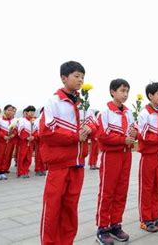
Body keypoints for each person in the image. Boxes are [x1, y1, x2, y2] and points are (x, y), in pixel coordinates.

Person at [39, 61, 94, 245]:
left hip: (77, 164)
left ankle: (66, 242)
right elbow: (46, 131)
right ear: (64, 78)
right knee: (52, 208)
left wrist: (89, 128)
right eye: (76, 76)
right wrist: (74, 135)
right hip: (59, 165)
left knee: (71, 208)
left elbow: (94, 122)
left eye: (82, 77)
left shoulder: (83, 103)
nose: (80, 80)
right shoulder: (53, 102)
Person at [95, 79, 136, 245]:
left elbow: (134, 130)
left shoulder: (129, 113)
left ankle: (115, 224)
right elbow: (102, 135)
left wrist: (135, 134)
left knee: (121, 191)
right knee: (107, 192)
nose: (125, 94)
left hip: (126, 156)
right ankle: (102, 228)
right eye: (122, 90)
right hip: (111, 156)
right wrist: (123, 140)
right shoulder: (104, 113)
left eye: (127, 91)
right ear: (112, 91)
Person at [137, 82, 158, 232]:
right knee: (147, 187)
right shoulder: (144, 113)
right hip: (149, 156)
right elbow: (143, 135)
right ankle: (145, 219)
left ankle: (154, 216)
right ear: (150, 96)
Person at [0, 104, 18, 180]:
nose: (10, 112)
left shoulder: (14, 120)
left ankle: (3, 171)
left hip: (10, 141)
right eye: (9, 110)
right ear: (5, 111)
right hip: (1, 141)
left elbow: (15, 130)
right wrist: (3, 136)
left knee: (7, 156)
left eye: (12, 110)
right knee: (0, 156)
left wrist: (13, 135)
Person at [17, 106, 37, 178]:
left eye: (33, 112)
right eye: (30, 111)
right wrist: (26, 137)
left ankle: (26, 170)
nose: (32, 113)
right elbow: (20, 130)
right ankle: (20, 172)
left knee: (28, 157)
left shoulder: (34, 121)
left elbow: (36, 130)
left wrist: (33, 136)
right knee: (22, 156)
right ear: (26, 112)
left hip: (31, 141)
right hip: (24, 142)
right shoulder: (22, 120)